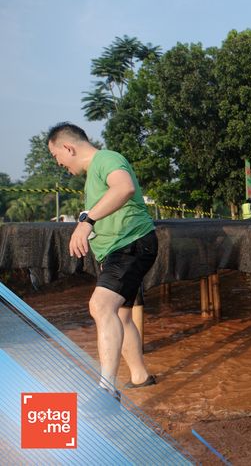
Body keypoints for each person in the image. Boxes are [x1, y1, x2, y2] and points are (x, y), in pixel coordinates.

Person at [47, 122, 158, 398]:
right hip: (119, 250)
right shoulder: (94, 175)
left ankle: (106, 391)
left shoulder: (106, 158)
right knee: (120, 315)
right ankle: (140, 377)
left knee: (100, 306)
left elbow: (124, 187)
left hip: (130, 245)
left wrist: (86, 222)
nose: (58, 163)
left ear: (68, 147)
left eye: (55, 156)